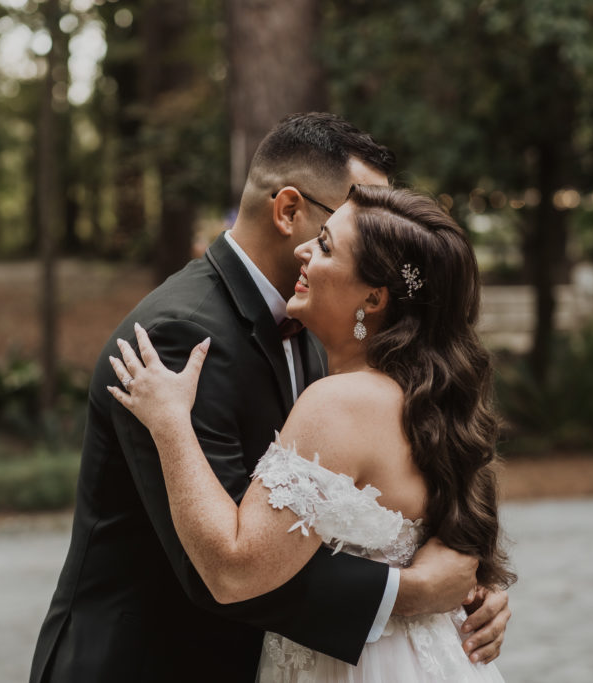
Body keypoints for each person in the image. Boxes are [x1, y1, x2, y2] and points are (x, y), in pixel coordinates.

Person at [29, 113, 511, 683]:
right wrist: (413, 592)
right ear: (288, 211)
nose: (381, 223)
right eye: (355, 213)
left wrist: (473, 586)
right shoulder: (181, 334)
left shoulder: (330, 337)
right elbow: (223, 566)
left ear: (375, 298)